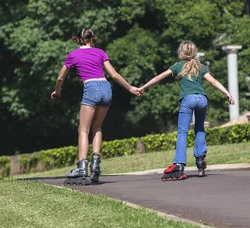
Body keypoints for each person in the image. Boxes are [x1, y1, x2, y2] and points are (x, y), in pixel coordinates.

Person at [51, 28, 140, 185]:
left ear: (78, 39)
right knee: (97, 128)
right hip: (106, 88)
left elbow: (60, 78)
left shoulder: (73, 55)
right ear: (92, 39)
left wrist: (57, 91)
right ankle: (96, 166)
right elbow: (114, 75)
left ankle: (82, 167)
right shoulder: (100, 52)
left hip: (91, 88)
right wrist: (130, 88)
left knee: (83, 130)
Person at [138, 41, 235, 181]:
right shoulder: (200, 67)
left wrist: (144, 87)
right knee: (200, 128)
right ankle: (201, 163)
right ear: (194, 52)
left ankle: (179, 164)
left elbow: (159, 77)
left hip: (188, 100)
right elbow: (213, 82)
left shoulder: (178, 66)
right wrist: (227, 93)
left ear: (181, 52)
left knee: (182, 131)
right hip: (202, 99)